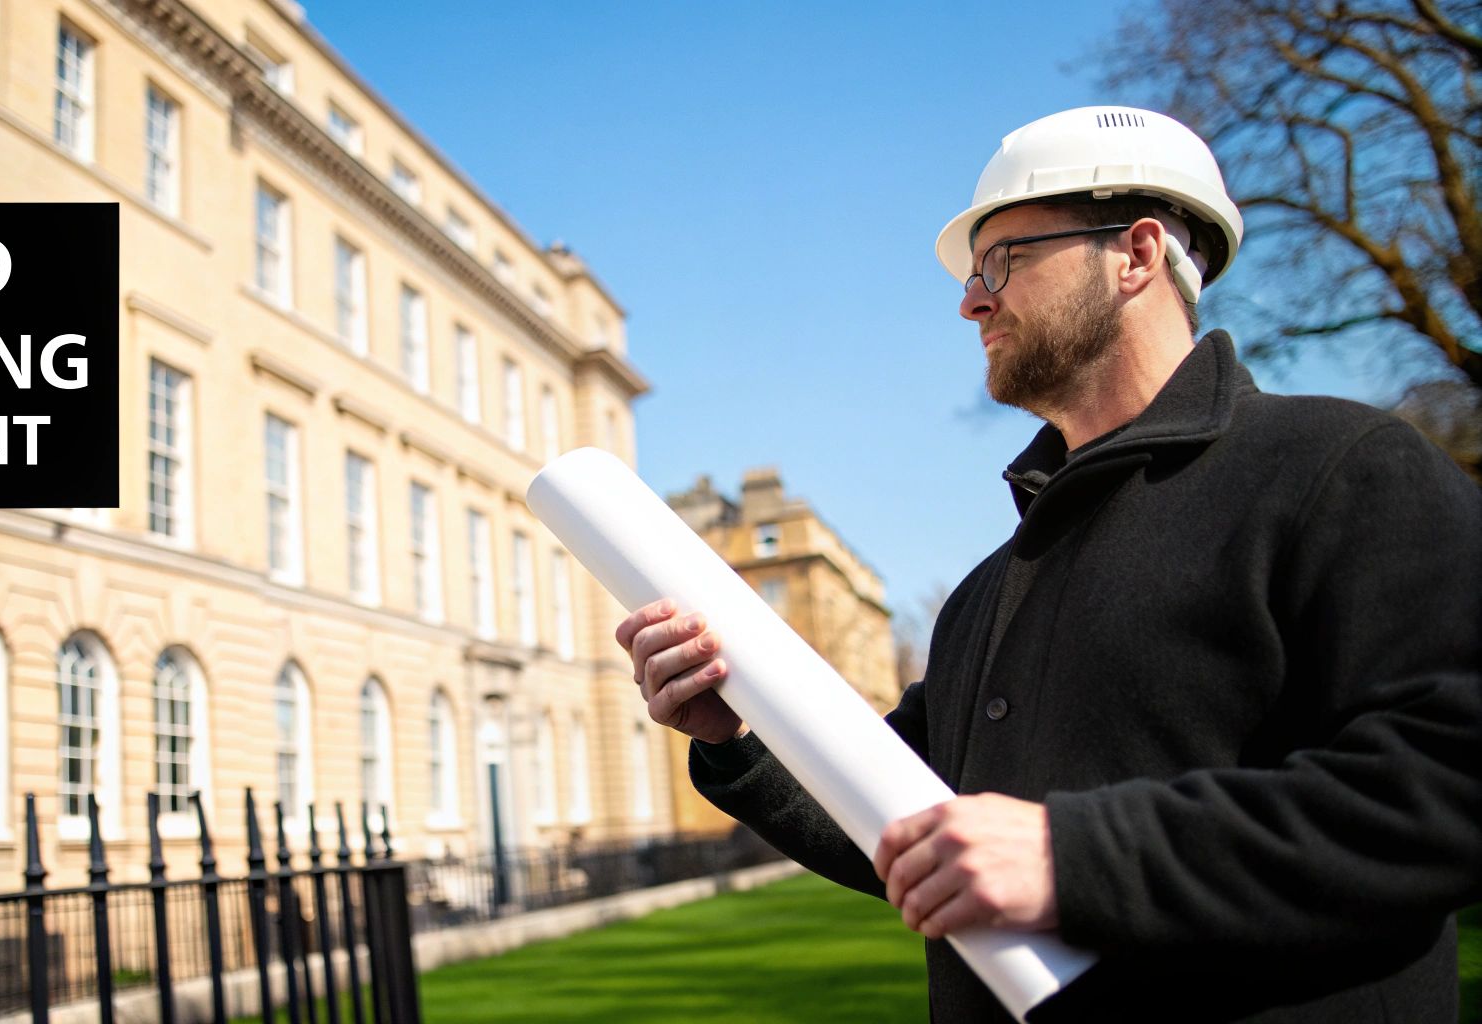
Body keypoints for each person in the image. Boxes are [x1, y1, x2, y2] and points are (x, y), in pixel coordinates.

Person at [614, 106, 1482, 1022]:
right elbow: (905, 827)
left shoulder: (1344, 469)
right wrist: (735, 736)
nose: (970, 300)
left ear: (1137, 254)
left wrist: (1074, 862)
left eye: (1003, 262)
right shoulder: (986, 592)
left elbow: (1448, 779)